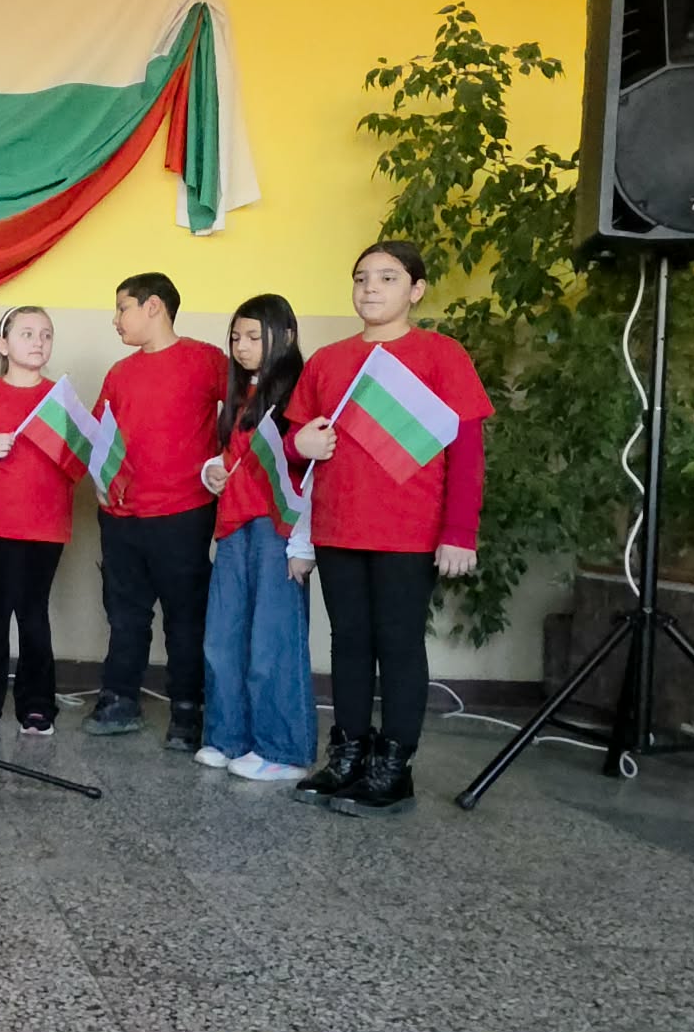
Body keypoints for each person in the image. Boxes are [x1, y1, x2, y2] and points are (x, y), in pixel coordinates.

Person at [288, 241, 492, 817]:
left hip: (409, 530)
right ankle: (349, 754)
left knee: (398, 645)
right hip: (337, 526)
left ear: (416, 290)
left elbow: (467, 452)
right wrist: (298, 444)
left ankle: (393, 767)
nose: (370, 288)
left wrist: (459, 531)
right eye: (361, 278)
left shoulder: (441, 354)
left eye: (387, 278)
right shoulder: (327, 361)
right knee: (348, 643)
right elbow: (297, 445)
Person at [83, 272, 228, 749]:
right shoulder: (120, 373)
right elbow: (101, 434)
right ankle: (119, 698)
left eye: (122, 307)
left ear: (153, 307)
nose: (115, 319)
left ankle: (188, 709)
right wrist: (100, 480)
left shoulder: (206, 360)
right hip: (121, 515)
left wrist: (225, 463)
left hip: (182, 512)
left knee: (185, 616)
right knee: (125, 613)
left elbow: (247, 416)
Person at [195, 294, 315, 780]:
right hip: (233, 526)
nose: (241, 347)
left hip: (278, 530)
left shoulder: (302, 393)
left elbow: (311, 475)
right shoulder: (241, 393)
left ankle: (282, 750)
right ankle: (227, 737)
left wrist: (302, 545)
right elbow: (230, 458)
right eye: (235, 337)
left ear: (285, 337)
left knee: (272, 642)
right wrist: (211, 472)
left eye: (253, 337)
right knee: (222, 639)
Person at [0, 307, 79, 734]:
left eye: (46, 334)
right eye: (27, 333)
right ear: (3, 345)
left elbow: (81, 455)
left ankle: (37, 704)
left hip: (45, 523)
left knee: (33, 613)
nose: (38, 341)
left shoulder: (60, 399)